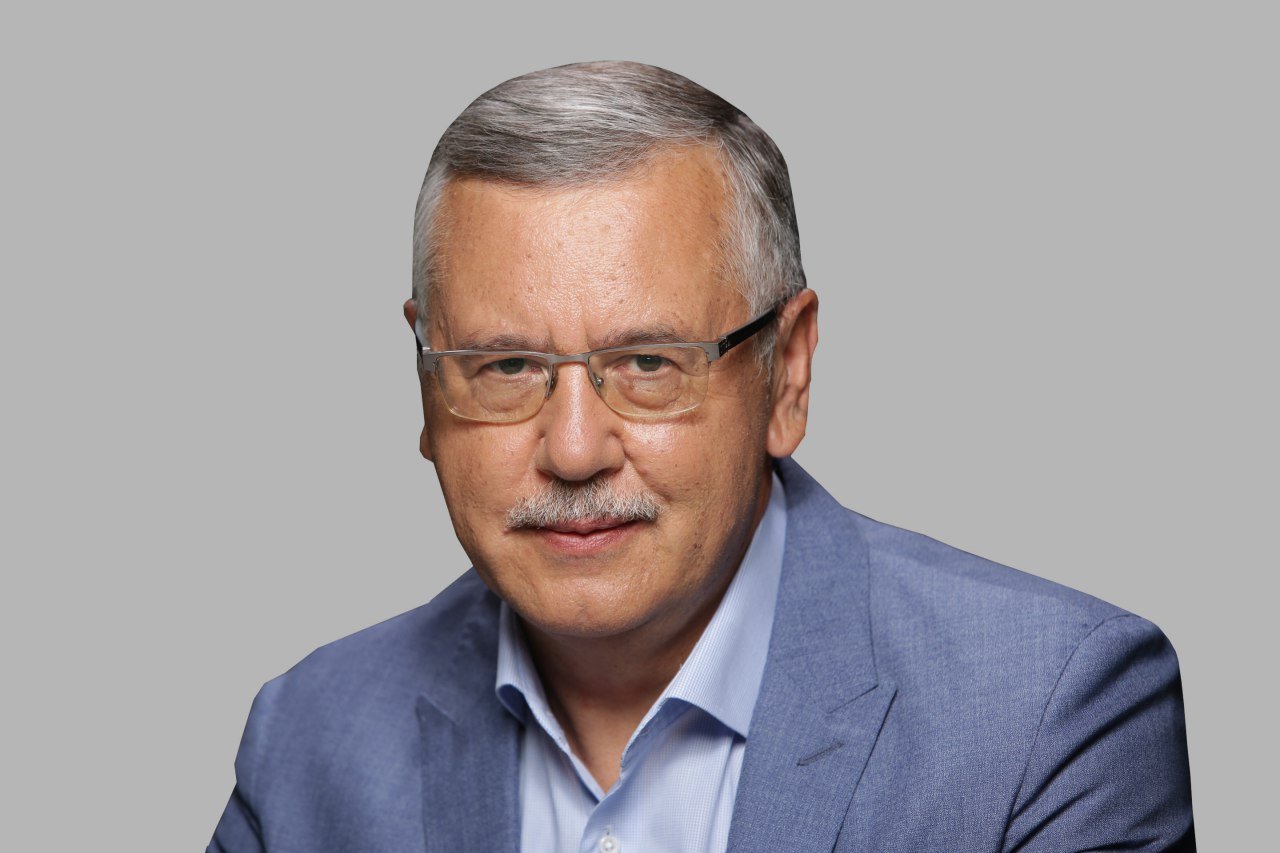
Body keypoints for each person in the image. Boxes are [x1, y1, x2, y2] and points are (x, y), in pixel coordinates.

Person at [209, 61, 1193, 852]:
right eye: (505, 366)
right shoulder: (308, 740)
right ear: (427, 382)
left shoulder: (1046, 715)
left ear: (786, 373)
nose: (574, 449)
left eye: (648, 362)